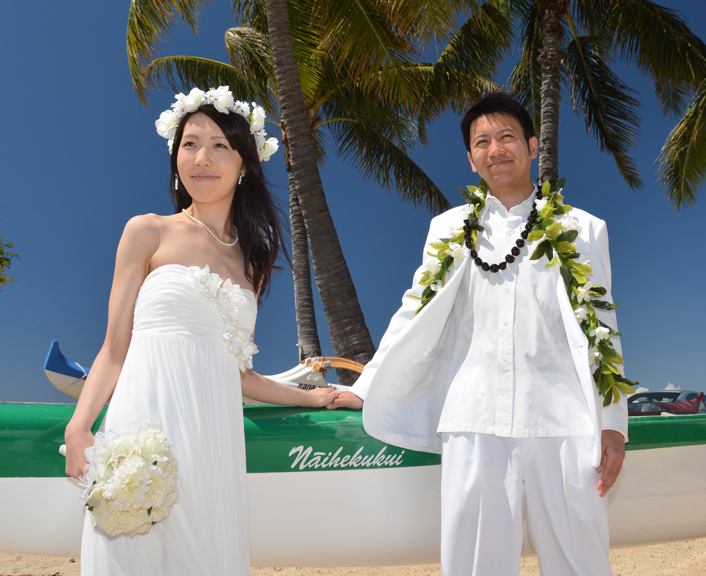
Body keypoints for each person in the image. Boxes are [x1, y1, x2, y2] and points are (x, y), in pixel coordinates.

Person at [330, 92, 629, 576]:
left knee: (581, 561)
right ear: (471, 159)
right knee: (473, 564)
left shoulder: (583, 228)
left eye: (507, 136)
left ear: (532, 146)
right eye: (482, 142)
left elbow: (602, 325)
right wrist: (366, 386)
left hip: (565, 417)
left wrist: (613, 423)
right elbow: (414, 310)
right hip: (473, 417)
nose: (496, 149)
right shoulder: (449, 229)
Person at [63, 87, 337, 576]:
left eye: (219, 146)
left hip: (212, 440)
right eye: (190, 144)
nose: (202, 158)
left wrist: (314, 398)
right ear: (176, 158)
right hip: (144, 433)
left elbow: (239, 373)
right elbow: (114, 349)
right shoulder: (146, 231)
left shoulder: (252, 263)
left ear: (244, 164)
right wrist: (80, 425)